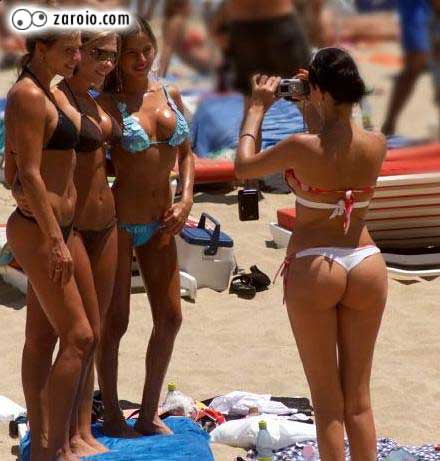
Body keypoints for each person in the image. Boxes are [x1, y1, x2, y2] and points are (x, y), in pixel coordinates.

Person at [235, 48, 388, 460]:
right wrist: (313, 104)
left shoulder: (300, 147)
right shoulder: (376, 144)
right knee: (359, 399)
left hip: (315, 264)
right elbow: (336, 146)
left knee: (327, 401)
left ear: (318, 90)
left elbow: (243, 167)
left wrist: (256, 109)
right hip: (366, 261)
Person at [4, 32, 99, 461]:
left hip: (63, 228)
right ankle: (54, 450)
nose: (77, 57)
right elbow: (27, 171)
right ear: (40, 49)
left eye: (80, 49)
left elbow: (12, 165)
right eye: (69, 50)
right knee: (78, 336)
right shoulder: (27, 94)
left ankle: (45, 445)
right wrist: (56, 240)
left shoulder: (53, 90)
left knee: (45, 336)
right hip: (42, 232)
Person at [98, 16, 194, 437]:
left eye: (147, 50)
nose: (141, 59)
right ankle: (113, 413)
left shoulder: (169, 93)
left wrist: (186, 198)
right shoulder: (106, 103)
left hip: (163, 221)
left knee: (170, 318)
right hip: (120, 222)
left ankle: (149, 412)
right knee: (115, 322)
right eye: (131, 53)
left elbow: (187, 153)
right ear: (117, 58)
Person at [55, 31, 120, 456]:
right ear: (77, 53)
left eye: (112, 55)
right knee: (78, 336)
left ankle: (82, 428)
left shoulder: (96, 99)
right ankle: (66, 432)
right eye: (98, 54)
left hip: (107, 223)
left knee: (95, 333)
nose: (107, 63)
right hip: (74, 227)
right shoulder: (57, 97)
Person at [382, 0, 433, 135]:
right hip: (417, 7)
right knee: (415, 62)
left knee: (417, 64)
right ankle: (389, 124)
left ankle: (389, 124)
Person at [159, 0, 220, 77]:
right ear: (178, 7)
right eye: (189, 5)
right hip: (201, 64)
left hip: (200, 62)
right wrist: (161, 74)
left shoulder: (175, 21)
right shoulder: (176, 21)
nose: (191, 7)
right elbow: (167, 48)